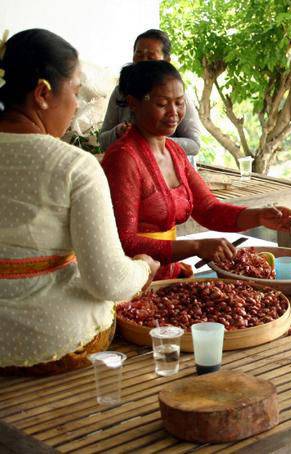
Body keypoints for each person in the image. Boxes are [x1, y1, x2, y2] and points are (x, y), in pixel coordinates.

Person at [0, 29, 159, 375]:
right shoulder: (74, 166)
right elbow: (108, 281)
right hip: (50, 342)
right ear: (43, 93)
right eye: (75, 90)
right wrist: (144, 267)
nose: (76, 105)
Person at [102, 60, 291, 280]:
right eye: (162, 104)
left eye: (179, 103)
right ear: (134, 103)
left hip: (168, 272)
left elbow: (208, 209)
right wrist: (195, 246)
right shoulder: (123, 158)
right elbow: (125, 241)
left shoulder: (175, 152)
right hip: (135, 281)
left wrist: (259, 216)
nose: (174, 113)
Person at [99, 29, 201, 158]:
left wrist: (151, 141)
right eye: (139, 54)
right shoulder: (121, 91)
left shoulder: (176, 94)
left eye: (151, 57)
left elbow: (194, 144)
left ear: (167, 60)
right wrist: (118, 132)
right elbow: (103, 141)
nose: (143, 61)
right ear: (132, 103)